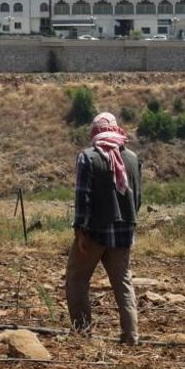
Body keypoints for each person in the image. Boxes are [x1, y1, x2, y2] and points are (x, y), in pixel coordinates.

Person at [66, 112, 143, 345]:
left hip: (94, 233)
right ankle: (131, 335)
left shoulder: (88, 157)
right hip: (123, 233)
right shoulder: (132, 158)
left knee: (77, 280)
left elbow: (83, 196)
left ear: (95, 132)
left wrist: (80, 229)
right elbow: (137, 197)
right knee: (123, 284)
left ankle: (82, 331)